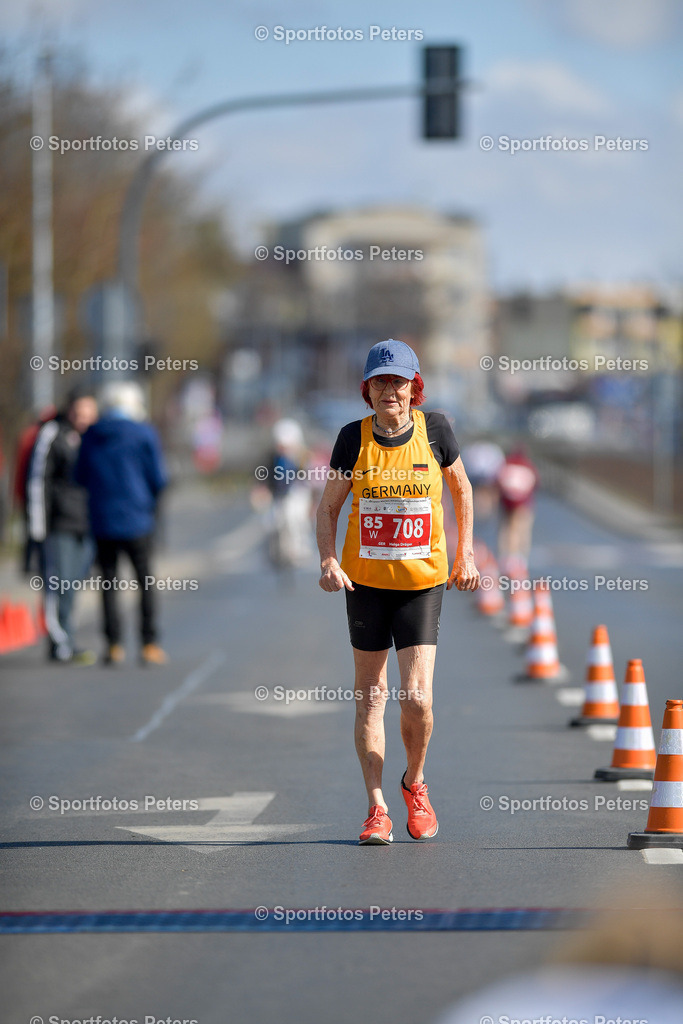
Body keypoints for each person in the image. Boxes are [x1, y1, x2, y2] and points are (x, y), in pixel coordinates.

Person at [316, 339, 480, 846]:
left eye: (399, 381)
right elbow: (328, 508)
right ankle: (376, 808)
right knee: (371, 697)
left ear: (415, 388)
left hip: (420, 584)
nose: (391, 390)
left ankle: (415, 781)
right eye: (381, 382)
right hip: (365, 584)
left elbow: (462, 489)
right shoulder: (352, 438)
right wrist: (327, 561)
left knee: (418, 698)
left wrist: (466, 553)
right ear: (368, 390)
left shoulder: (436, 432)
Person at [75, 381, 168, 666]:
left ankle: (114, 644)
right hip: (138, 519)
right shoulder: (144, 434)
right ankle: (149, 643)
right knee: (145, 582)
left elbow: (79, 476)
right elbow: (159, 478)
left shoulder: (92, 435)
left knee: (109, 583)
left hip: (102, 519)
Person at [25, 389, 98, 663]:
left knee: (74, 584)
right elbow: (37, 480)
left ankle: (68, 636)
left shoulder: (93, 438)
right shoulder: (53, 434)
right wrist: (37, 526)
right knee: (58, 583)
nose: (84, 419)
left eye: (89, 413)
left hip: (86, 524)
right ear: (70, 410)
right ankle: (59, 640)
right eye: (79, 413)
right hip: (58, 524)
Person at [496, 444, 538, 572]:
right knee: (522, 529)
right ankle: (520, 559)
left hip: (507, 501)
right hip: (523, 502)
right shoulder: (528, 465)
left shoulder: (506, 464)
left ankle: (506, 558)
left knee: (506, 529)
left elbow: (497, 480)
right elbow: (535, 483)